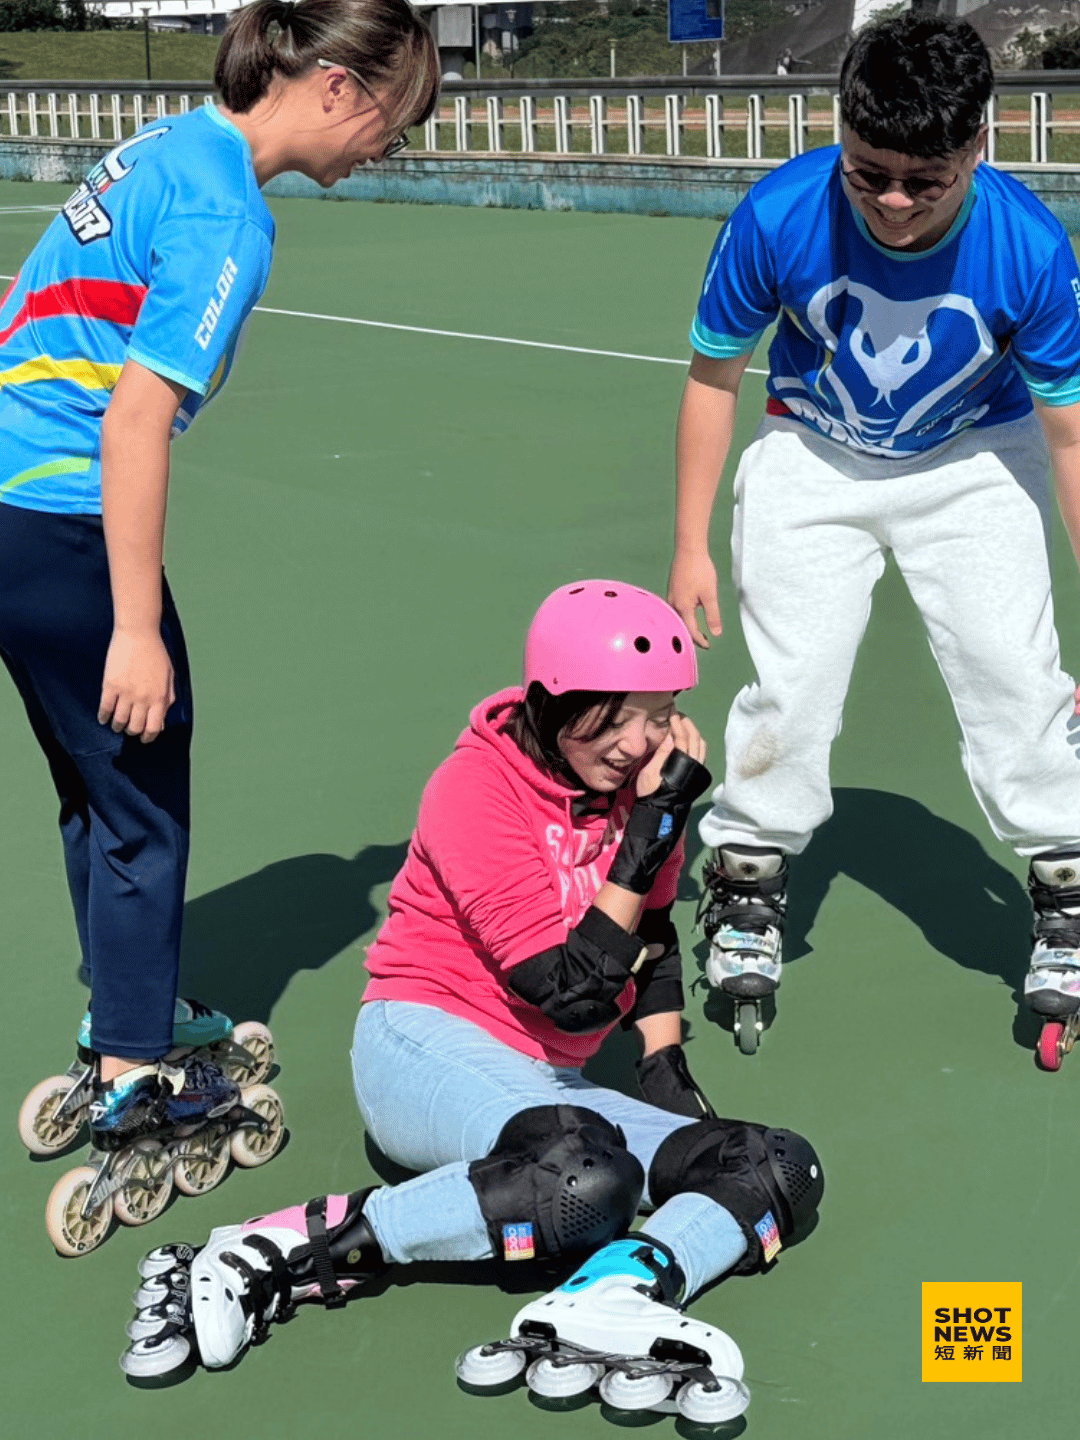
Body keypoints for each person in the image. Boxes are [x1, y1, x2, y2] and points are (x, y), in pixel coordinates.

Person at [120, 581, 823, 1420]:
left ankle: (620, 1289)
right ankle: (282, 1248)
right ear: (556, 700)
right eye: (622, 716)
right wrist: (656, 824)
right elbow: (565, 994)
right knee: (583, 1181)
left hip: (542, 1089)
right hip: (420, 1044)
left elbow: (655, 936)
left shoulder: (639, 800)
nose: (643, 744)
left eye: (662, 715)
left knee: (767, 1162)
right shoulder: (474, 792)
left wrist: (666, 1073)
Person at [1, 0, 439, 1192]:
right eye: (393, 126)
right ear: (340, 88)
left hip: (7, 509)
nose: (381, 152)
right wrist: (136, 626)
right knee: (143, 789)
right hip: (56, 518)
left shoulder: (159, 148)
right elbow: (136, 418)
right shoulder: (226, 213)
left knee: (94, 789)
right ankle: (140, 1076)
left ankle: (123, 1010)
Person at [667, 11, 1080, 1064]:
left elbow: (1070, 436)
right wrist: (690, 544)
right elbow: (714, 378)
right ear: (839, 131)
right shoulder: (777, 216)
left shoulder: (1029, 248)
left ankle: (1066, 879)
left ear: (979, 145)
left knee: (1012, 673)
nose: (893, 201)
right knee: (793, 680)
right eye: (870, 172)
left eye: (923, 180)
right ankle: (749, 877)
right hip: (813, 453)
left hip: (975, 461)